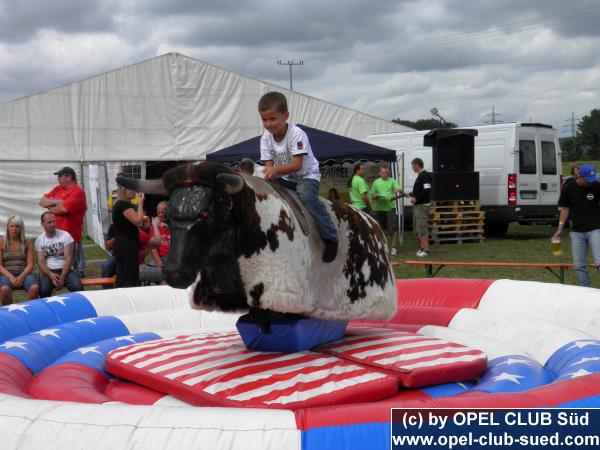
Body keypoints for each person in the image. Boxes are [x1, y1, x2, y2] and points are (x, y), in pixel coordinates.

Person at [258, 91, 338, 262]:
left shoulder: (296, 134)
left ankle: (331, 236)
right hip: (286, 178)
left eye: (273, 119)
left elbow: (297, 165)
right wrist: (269, 175)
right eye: (264, 120)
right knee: (267, 196)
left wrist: (275, 171)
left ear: (285, 116)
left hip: (305, 176)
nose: (268, 124)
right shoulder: (265, 138)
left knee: (308, 198)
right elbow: (269, 165)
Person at [552, 164, 600, 287]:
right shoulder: (568, 189)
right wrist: (560, 229)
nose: (590, 182)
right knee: (579, 265)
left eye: (592, 179)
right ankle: (586, 292)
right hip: (577, 232)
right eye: (588, 179)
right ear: (580, 176)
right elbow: (565, 209)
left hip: (595, 229)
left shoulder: (596, 186)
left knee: (599, 261)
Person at [38, 167, 87, 277]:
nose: (58, 179)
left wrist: (50, 207)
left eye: (60, 176)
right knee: (52, 267)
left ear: (69, 177)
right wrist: (58, 202)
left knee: (74, 273)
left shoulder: (78, 192)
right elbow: (42, 201)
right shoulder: (58, 189)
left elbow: (63, 210)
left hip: (71, 238)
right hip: (55, 237)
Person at [35, 212, 83, 298]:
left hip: (67, 270)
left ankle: (78, 308)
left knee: (78, 288)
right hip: (50, 271)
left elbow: (69, 259)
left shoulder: (65, 235)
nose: (53, 224)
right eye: (49, 222)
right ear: (42, 224)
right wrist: (51, 275)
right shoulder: (39, 240)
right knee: (43, 290)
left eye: (54, 221)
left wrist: (62, 278)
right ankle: (49, 310)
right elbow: (40, 262)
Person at [0, 215, 39, 304]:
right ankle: (11, 313)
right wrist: (11, 277)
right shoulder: (1, 242)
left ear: (21, 228)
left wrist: (21, 277)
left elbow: (30, 264)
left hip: (23, 273)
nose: (14, 229)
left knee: (34, 288)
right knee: (4, 289)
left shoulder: (27, 242)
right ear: (7, 227)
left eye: (17, 226)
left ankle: (28, 311)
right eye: (12, 226)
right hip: (6, 274)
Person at [112, 185, 145, 287]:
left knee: (124, 273)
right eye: (132, 189)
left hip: (125, 242)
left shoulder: (124, 205)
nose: (135, 191)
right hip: (126, 243)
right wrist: (140, 203)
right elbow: (139, 222)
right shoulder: (123, 205)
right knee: (127, 275)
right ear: (125, 190)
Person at [370, 165, 402, 256]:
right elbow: (372, 195)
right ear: (380, 173)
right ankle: (382, 247)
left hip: (390, 208)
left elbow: (399, 188)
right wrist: (375, 197)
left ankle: (394, 248)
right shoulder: (376, 182)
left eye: (386, 173)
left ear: (389, 173)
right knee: (379, 229)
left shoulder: (392, 180)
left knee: (393, 228)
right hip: (379, 208)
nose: (385, 174)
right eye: (383, 173)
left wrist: (397, 189)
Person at [406, 157, 432, 258]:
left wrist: (416, 198)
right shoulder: (420, 176)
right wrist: (411, 194)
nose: (412, 167)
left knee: (422, 228)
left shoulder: (424, 175)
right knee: (418, 228)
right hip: (418, 205)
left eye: (412, 165)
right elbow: (420, 189)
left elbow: (427, 189)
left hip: (422, 206)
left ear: (417, 165)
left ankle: (426, 251)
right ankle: (422, 248)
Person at [150, 201, 170, 269]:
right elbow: (153, 247)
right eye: (159, 213)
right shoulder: (155, 225)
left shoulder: (174, 224)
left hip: (172, 258)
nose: (160, 215)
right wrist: (158, 261)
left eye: (163, 212)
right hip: (160, 257)